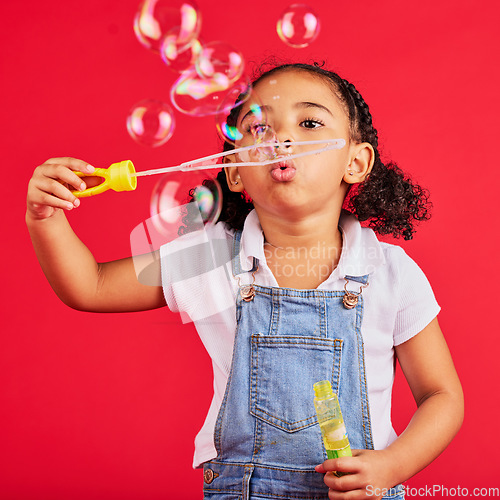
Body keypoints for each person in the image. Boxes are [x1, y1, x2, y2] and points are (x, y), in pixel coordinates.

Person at [26, 62, 464, 500]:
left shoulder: (389, 271)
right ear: (235, 172)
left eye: (309, 122)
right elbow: (91, 286)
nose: (282, 140)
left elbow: (442, 395)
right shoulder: (211, 255)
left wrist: (392, 465)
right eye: (259, 128)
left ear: (355, 161)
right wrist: (45, 219)